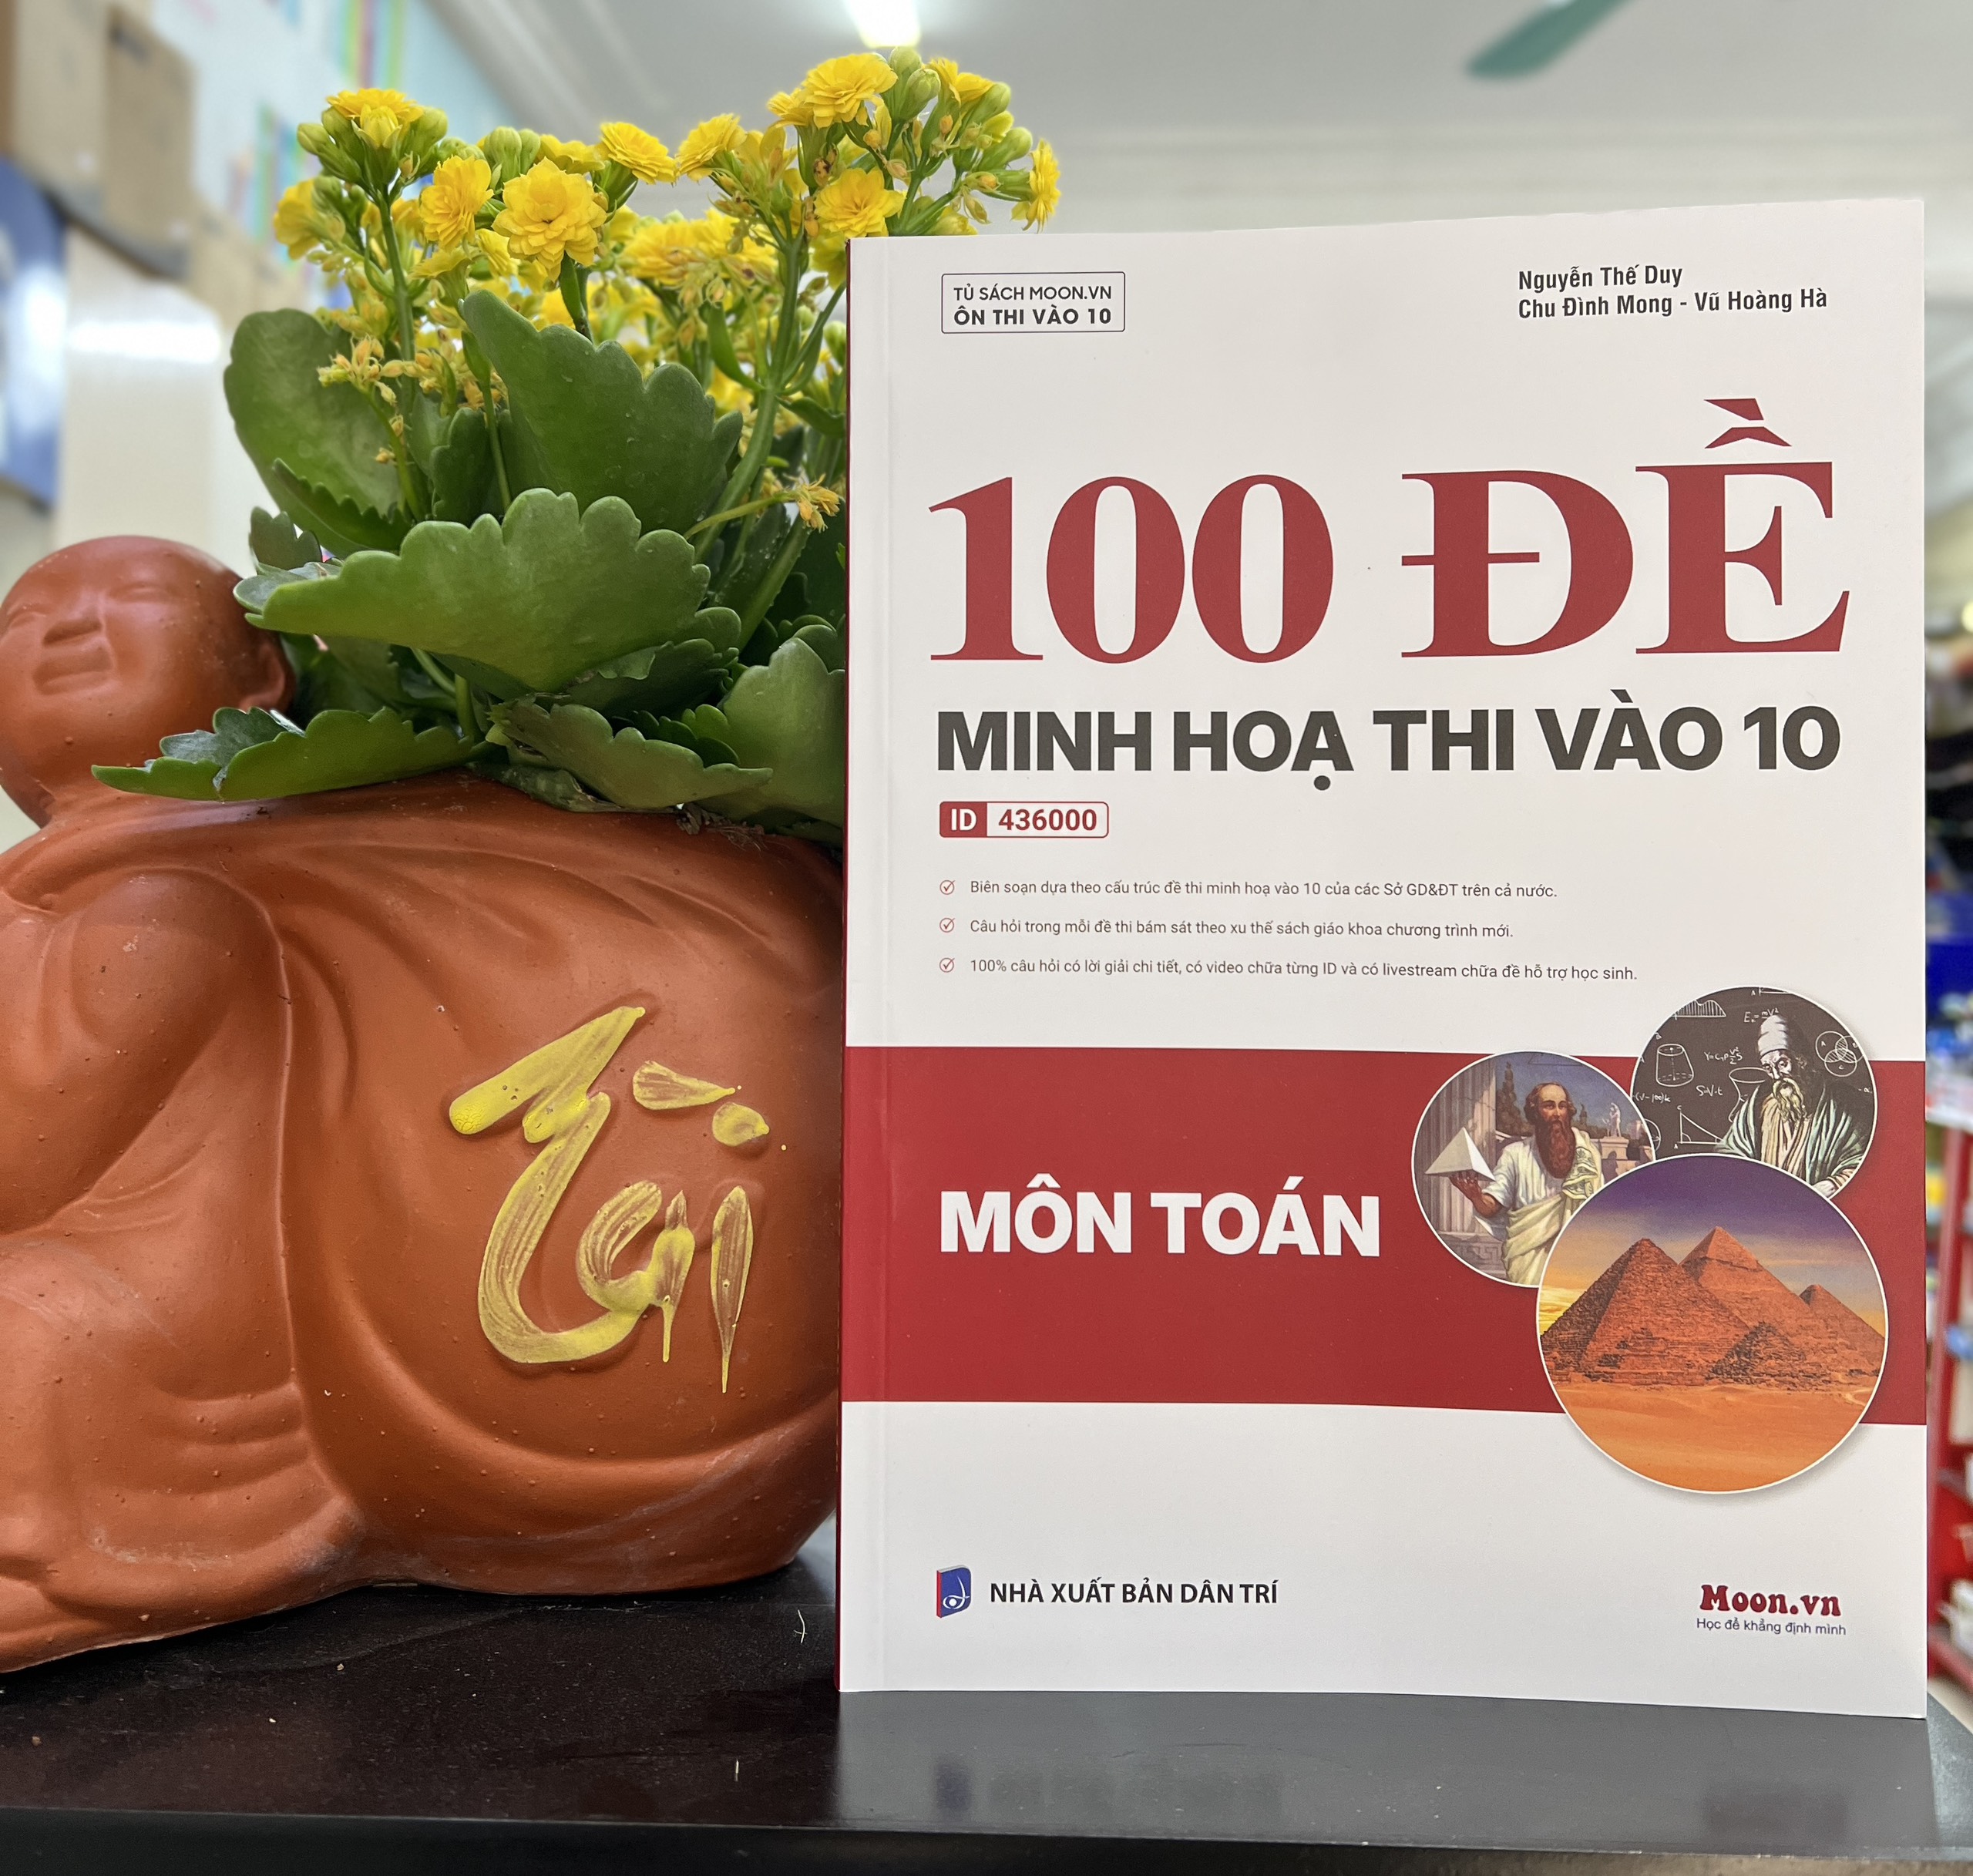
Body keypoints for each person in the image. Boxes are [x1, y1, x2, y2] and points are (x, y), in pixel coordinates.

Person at [0, 537, 843, 1671]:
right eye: (22, 619)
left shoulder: (153, 901)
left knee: (27, 1337)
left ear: (264, 676)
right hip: (167, 1293)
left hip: (164, 1322)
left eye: (134, 597)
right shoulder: (95, 883)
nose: (67, 627)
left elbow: (30, 1144)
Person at [1449, 1081, 1603, 1285]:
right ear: (1535, 1112)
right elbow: (1493, 1205)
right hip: (1527, 1258)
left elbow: (1599, 1208)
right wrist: (1476, 1195)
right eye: (1549, 1106)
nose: (1557, 1113)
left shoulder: (1587, 1155)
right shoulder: (1515, 1154)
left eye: (1562, 1106)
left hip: (1573, 1256)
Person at [1720, 1009, 1867, 1195]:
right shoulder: (1761, 1104)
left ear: (1802, 1060)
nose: (1776, 1075)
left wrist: (1834, 1184)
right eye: (1768, 1068)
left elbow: (1862, 1162)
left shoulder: (1843, 1102)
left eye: (1782, 1064)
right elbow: (1730, 1153)